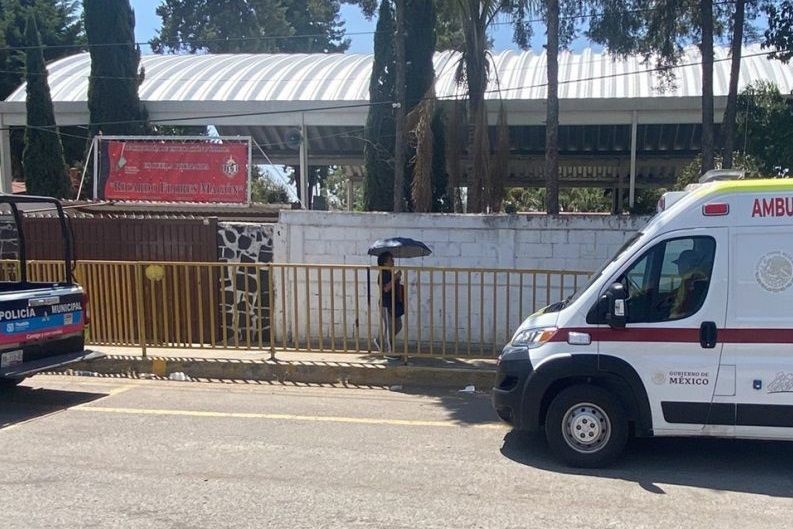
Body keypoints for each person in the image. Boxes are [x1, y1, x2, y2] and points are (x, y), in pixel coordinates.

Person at [376, 252, 404, 354]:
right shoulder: (382, 273)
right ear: (384, 263)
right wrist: (395, 277)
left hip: (394, 303)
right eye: (391, 260)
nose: (393, 262)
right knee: (390, 326)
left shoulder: (391, 272)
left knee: (398, 325)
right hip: (386, 304)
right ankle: (389, 351)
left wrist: (397, 278)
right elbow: (386, 288)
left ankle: (380, 340)